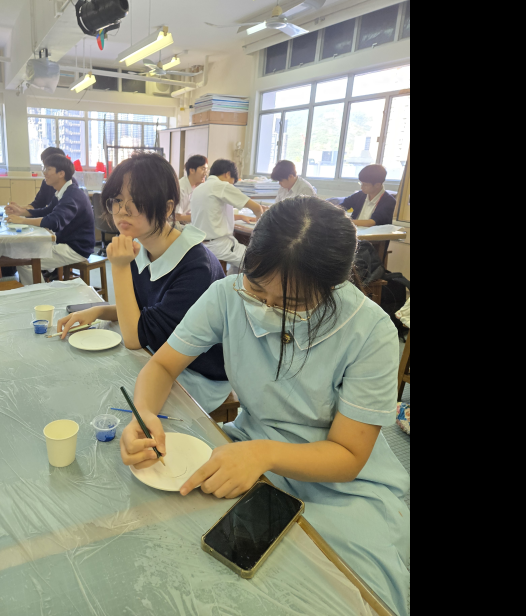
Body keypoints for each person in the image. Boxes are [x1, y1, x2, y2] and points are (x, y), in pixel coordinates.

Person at [118, 196, 410, 616]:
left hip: (341, 480)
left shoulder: (370, 331)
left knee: (342, 588)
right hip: (249, 445)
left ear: (332, 286)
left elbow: (349, 454)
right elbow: (162, 365)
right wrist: (145, 413)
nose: (268, 308)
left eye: (292, 304)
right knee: (186, 548)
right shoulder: (227, 295)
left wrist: (265, 454)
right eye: (256, 290)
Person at [54, 152, 232, 407]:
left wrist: (119, 267)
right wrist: (98, 311)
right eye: (117, 200)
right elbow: (144, 314)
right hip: (158, 355)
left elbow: (135, 337)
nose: (122, 211)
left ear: (167, 208)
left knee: (100, 397)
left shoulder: (195, 266)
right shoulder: (140, 247)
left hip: (197, 376)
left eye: (136, 201)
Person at [4, 153, 95, 284]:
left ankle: (40, 294)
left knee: (25, 262)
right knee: (25, 250)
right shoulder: (62, 191)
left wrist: (23, 220)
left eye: (48, 169)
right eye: (44, 168)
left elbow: (53, 221)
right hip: (64, 242)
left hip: (76, 248)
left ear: (61, 173)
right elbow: (47, 211)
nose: (44, 172)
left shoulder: (72, 195)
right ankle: (40, 287)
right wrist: (22, 212)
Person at [189, 159, 264, 274]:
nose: (231, 185)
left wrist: (241, 217)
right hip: (219, 245)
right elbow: (257, 208)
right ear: (227, 174)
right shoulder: (222, 186)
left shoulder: (199, 188)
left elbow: (214, 214)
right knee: (258, 263)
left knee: (239, 261)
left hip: (200, 244)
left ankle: (231, 282)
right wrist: (260, 232)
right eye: (232, 182)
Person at [339, 163, 396, 228]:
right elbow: (342, 206)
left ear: (377, 185)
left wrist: (345, 222)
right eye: (361, 183)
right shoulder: (360, 195)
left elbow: (371, 222)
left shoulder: (389, 201)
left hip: (374, 234)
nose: (362, 187)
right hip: (356, 232)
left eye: (365, 185)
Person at [174, 155, 209, 225]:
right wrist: (199, 217)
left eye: (206, 170)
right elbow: (176, 217)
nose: (205, 173)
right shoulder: (181, 188)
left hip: (187, 225)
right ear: (192, 170)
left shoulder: (197, 187)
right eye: (203, 169)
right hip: (176, 226)